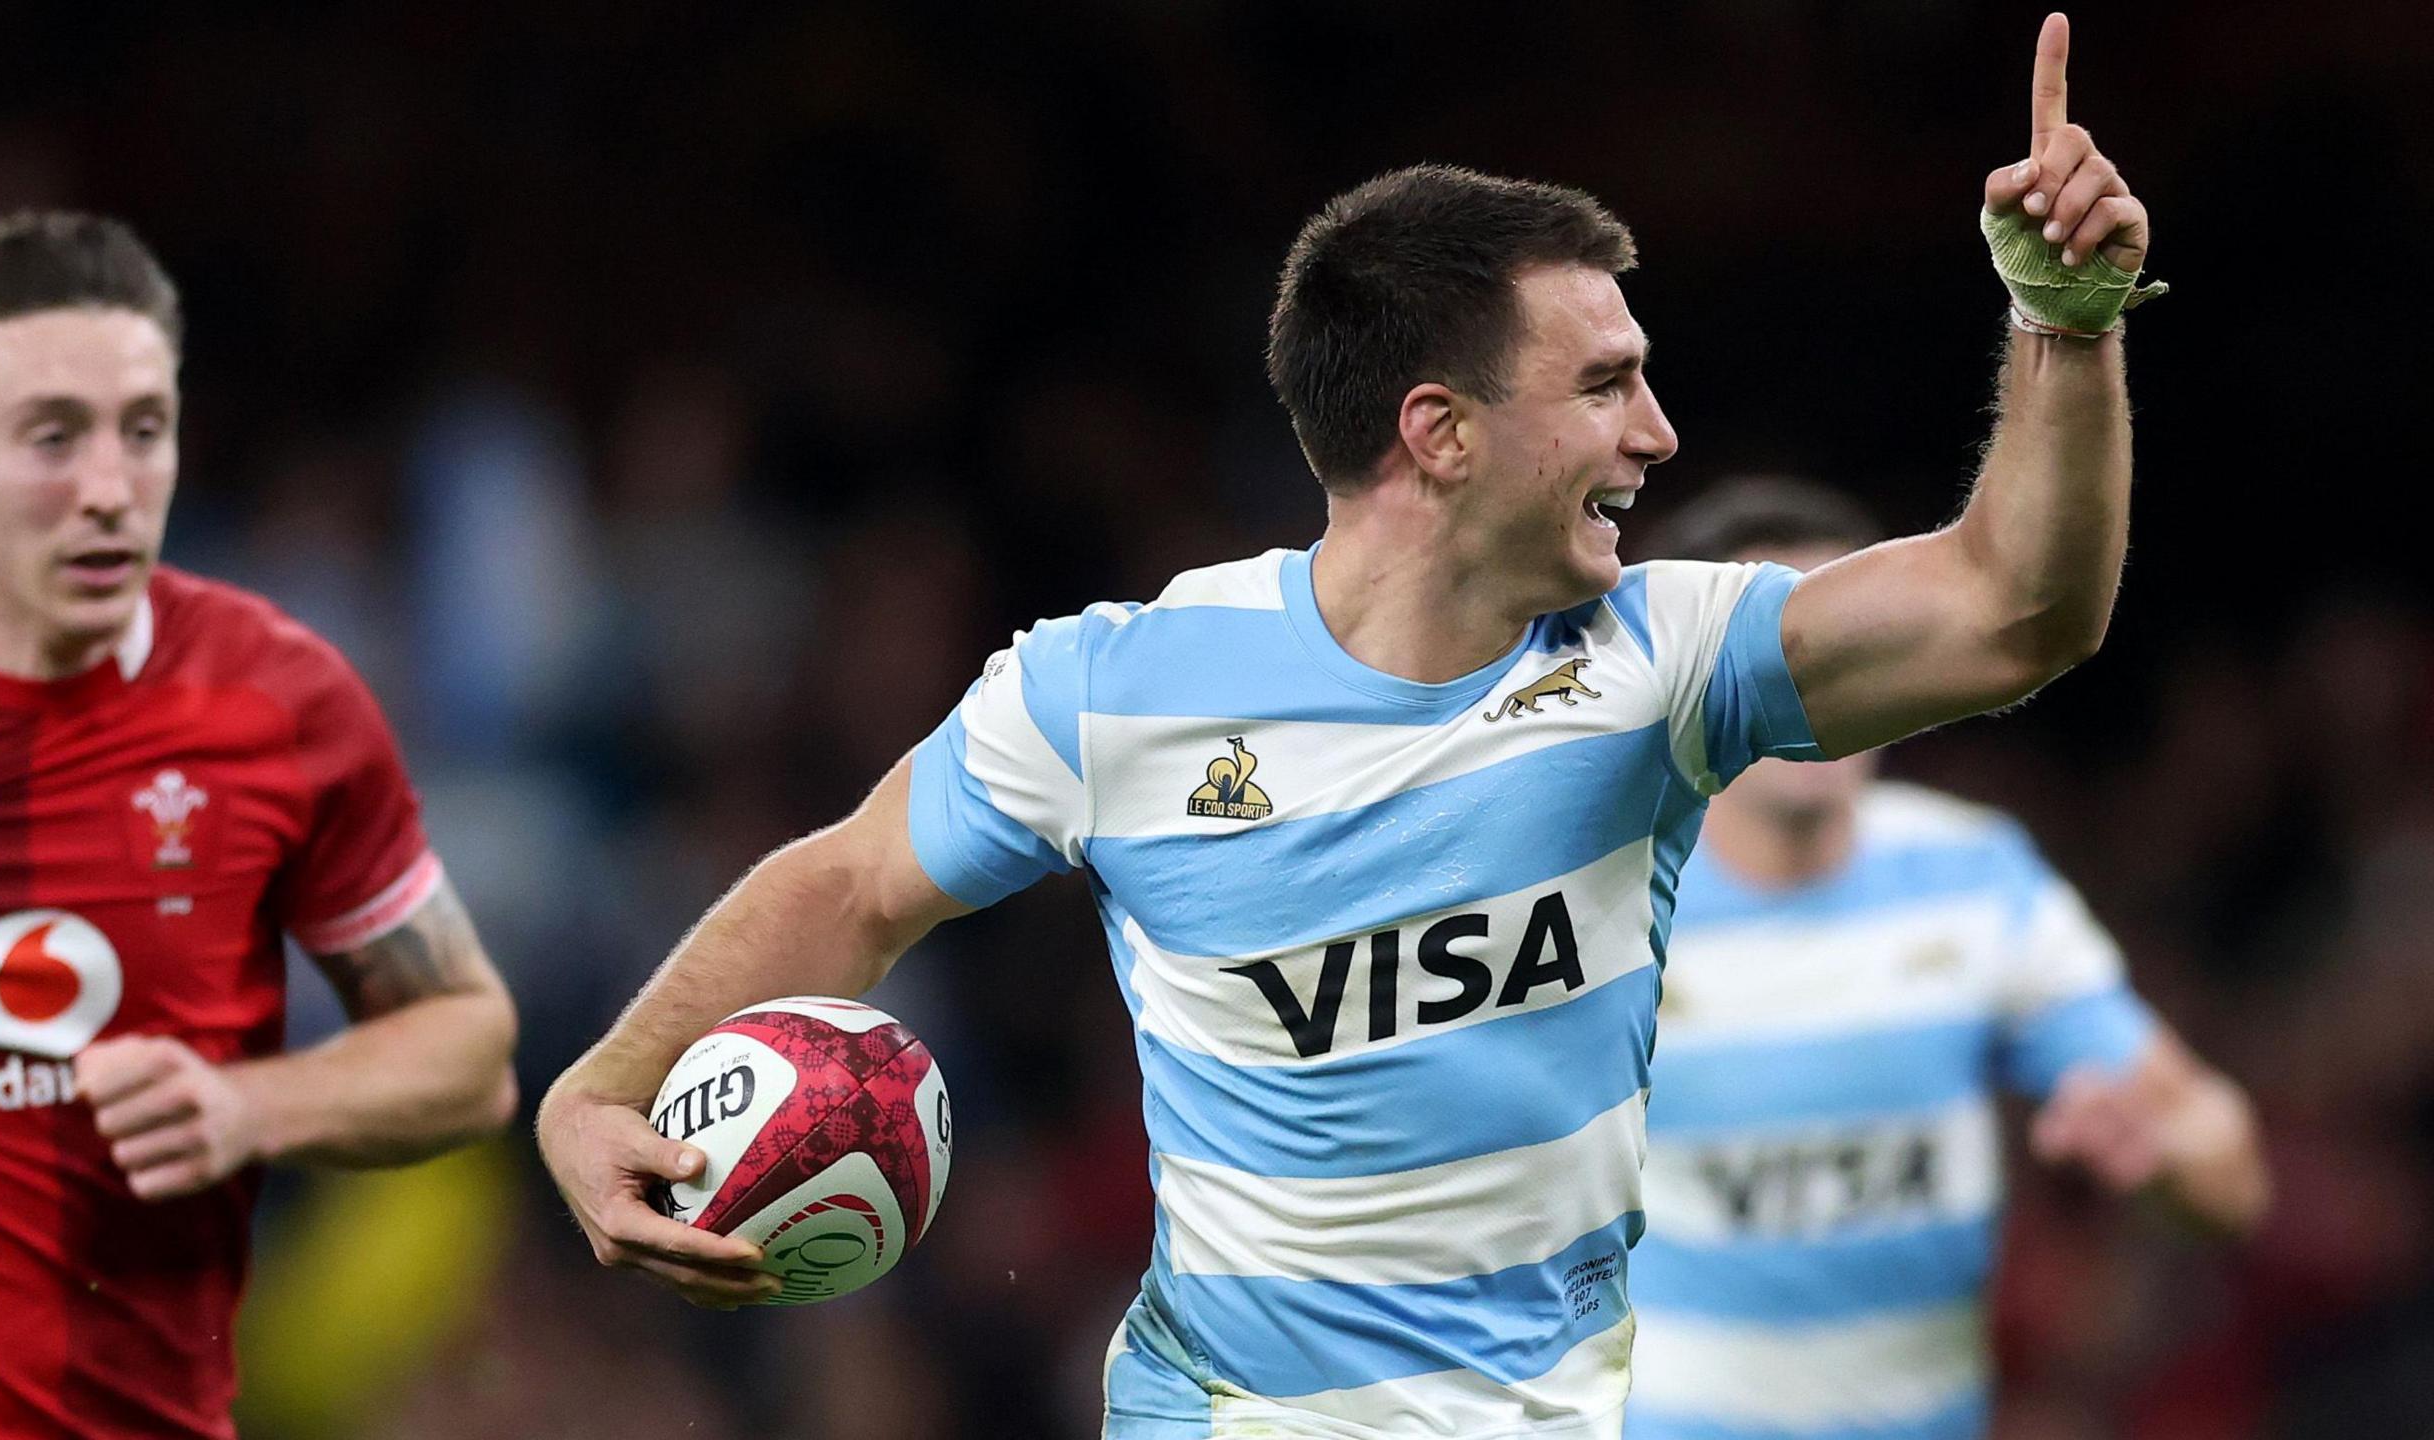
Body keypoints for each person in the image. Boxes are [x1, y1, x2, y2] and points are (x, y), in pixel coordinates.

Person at [540, 15, 2156, 1437]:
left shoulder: (1668, 660)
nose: (1658, 434)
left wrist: (2065, 324)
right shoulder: (1114, 687)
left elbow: (2019, 611)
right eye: (1605, 384)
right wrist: (597, 1092)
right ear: (1438, 432)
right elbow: (852, 887)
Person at [0, 212, 520, 1439]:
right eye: (52, 437)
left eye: (144, 431)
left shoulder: (279, 702)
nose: (110, 489)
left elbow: (471, 1052)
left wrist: (252, 1110)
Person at [1622, 477, 2269, 1440]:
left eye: (1851, 649)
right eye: (1784, 655)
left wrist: (2167, 1159)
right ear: (1698, 678)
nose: (1819, 689)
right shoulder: (1612, 899)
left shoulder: (1975, 878)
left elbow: (2231, 1176)